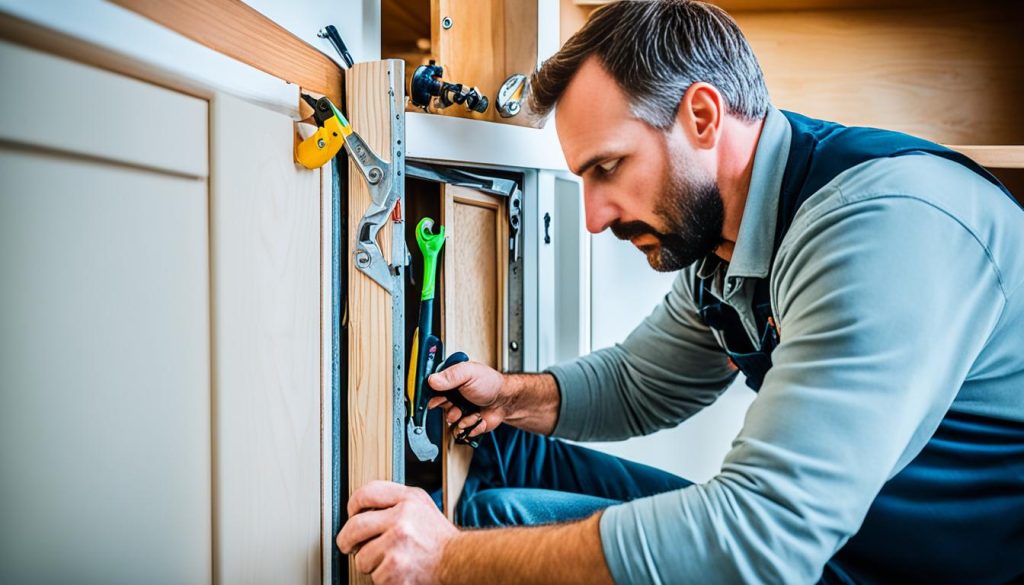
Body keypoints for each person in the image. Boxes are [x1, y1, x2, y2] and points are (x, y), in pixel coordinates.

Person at [337, 1, 1024, 583]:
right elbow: (643, 384)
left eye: (609, 167)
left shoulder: (884, 227)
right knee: (503, 475)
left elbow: (761, 535)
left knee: (490, 532)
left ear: (701, 116)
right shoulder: (728, 242)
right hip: (841, 545)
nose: (596, 215)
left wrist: (451, 559)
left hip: (896, 567)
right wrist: (512, 396)